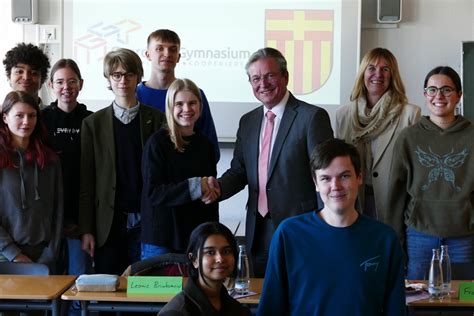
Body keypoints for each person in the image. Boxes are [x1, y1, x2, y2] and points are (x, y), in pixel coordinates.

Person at [209, 47, 333, 277]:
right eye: (256, 78)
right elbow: (239, 171)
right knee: (261, 298)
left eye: (269, 76)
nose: (263, 84)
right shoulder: (248, 122)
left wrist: (325, 229)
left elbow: (325, 176)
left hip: (301, 228)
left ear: (285, 77)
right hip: (258, 231)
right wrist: (216, 189)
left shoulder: (312, 117)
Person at [257, 138, 406, 316]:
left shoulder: (384, 239)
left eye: (344, 176)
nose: (335, 186)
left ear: (359, 177)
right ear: (315, 183)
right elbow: (271, 307)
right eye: (326, 178)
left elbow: (395, 310)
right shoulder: (288, 234)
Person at [79, 48, 165, 275]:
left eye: (128, 74)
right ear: (108, 79)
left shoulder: (157, 120)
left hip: (147, 220)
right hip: (108, 223)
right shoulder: (92, 124)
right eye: (116, 75)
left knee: (145, 289)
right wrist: (86, 229)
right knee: (110, 291)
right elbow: (87, 182)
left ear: (138, 76)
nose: (123, 81)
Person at [386, 66, 474, 280]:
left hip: (464, 235)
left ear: (459, 95)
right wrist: (395, 237)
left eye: (446, 90)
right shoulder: (408, 137)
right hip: (419, 235)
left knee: (462, 300)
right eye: (432, 90)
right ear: (425, 95)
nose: (439, 96)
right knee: (419, 300)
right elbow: (396, 193)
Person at [335, 47, 420, 220]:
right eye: (371, 68)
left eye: (385, 69)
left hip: (394, 205)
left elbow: (416, 169)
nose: (378, 74)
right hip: (353, 202)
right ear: (363, 74)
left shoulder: (410, 114)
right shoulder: (343, 115)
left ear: (392, 75)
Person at [140, 78, 219, 259]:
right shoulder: (157, 143)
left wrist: (211, 193)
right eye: (179, 104)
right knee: (157, 288)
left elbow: (208, 193)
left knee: (196, 288)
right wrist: (196, 187)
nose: (187, 109)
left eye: (192, 103)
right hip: (161, 240)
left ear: (200, 105)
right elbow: (153, 193)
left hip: (196, 238)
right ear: (170, 107)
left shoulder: (205, 145)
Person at [42, 59, 93, 315]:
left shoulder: (91, 121)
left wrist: (84, 224)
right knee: (46, 286)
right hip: (46, 222)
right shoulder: (40, 120)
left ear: (80, 85)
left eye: (72, 82)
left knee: (78, 285)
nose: (66, 87)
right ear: (51, 85)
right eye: (60, 82)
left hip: (79, 221)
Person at [0, 90, 63, 272]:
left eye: (32, 115)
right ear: (5, 118)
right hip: (5, 256)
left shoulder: (50, 160)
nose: (26, 122)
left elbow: (58, 210)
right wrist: (14, 254)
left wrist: (51, 252)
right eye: (19, 115)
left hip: (45, 255)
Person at [136, 29, 220, 161]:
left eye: (173, 49)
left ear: (179, 57)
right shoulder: (135, 96)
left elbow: (211, 147)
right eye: (159, 48)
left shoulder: (194, 95)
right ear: (148, 54)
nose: (167, 53)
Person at [159, 222, 251, 316]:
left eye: (226, 251)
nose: (220, 259)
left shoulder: (239, 310)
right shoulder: (176, 312)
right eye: (210, 252)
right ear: (194, 260)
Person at [3, 43, 51, 108]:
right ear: (9, 76)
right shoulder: (2, 114)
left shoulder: (54, 116)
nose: (26, 77)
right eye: (19, 71)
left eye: (34, 73)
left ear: (42, 79)